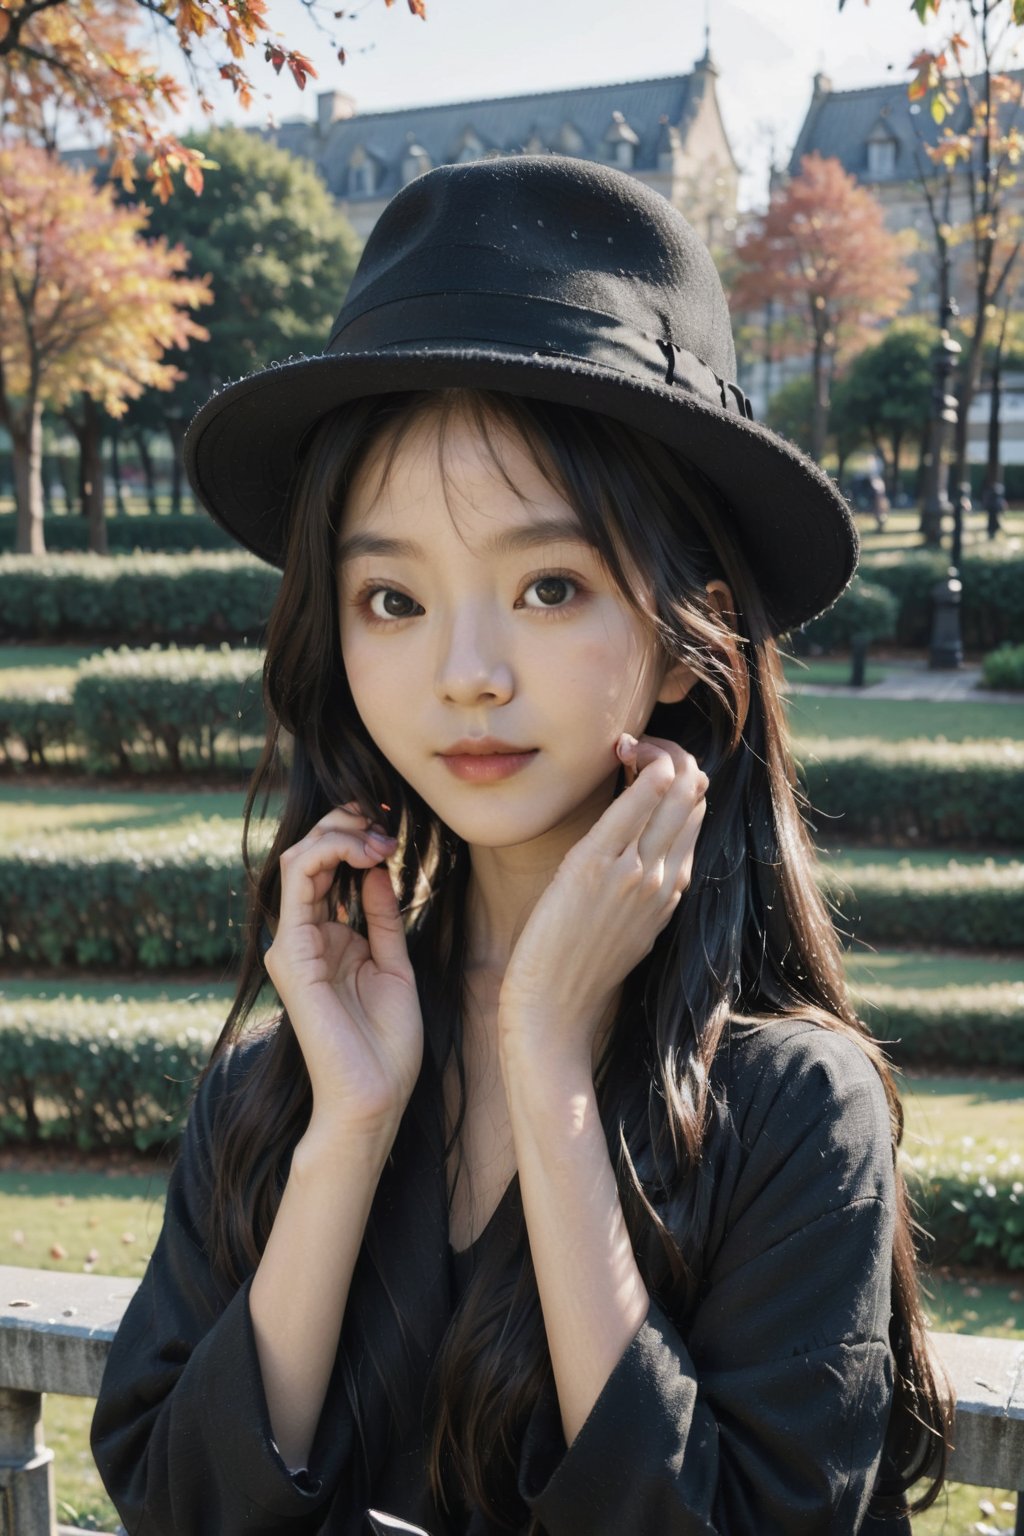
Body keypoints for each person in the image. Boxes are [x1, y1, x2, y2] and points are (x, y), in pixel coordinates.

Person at [90, 154, 952, 1536]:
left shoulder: (791, 1109)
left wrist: (550, 1071)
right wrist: (352, 1126)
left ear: (688, 638)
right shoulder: (289, 1078)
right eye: (391, 597)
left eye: (549, 586)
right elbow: (175, 1506)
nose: (466, 673)